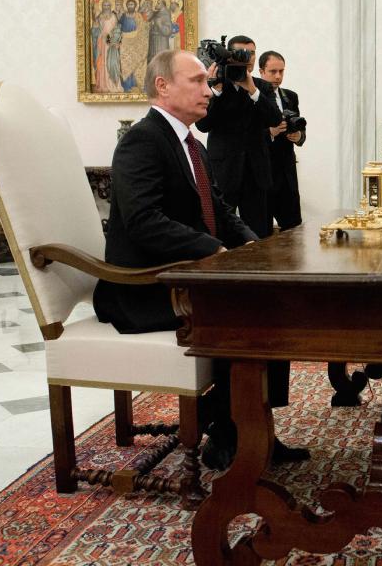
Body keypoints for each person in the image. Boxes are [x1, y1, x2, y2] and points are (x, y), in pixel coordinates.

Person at [94, 49, 305, 470]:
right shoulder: (141, 141)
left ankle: (251, 428)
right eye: (197, 82)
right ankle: (228, 432)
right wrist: (214, 251)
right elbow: (144, 222)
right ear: (163, 86)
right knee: (250, 311)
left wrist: (254, 248)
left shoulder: (192, 144)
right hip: (143, 288)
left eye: (208, 83)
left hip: (184, 278)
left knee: (272, 298)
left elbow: (222, 212)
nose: (209, 91)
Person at [195, 35, 282, 238]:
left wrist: (252, 90)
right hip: (224, 171)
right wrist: (214, 91)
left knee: (260, 234)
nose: (248, 58)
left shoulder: (262, 87)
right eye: (241, 53)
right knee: (222, 231)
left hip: (256, 172)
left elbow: (275, 119)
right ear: (228, 56)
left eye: (252, 53)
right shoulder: (216, 85)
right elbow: (202, 124)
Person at [258, 51, 305, 230]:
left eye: (282, 71)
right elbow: (244, 134)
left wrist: (299, 136)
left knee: (294, 228)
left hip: (286, 172)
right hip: (262, 171)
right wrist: (270, 132)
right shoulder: (253, 95)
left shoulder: (290, 96)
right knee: (262, 230)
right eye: (273, 72)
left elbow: (299, 126)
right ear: (261, 71)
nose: (278, 76)